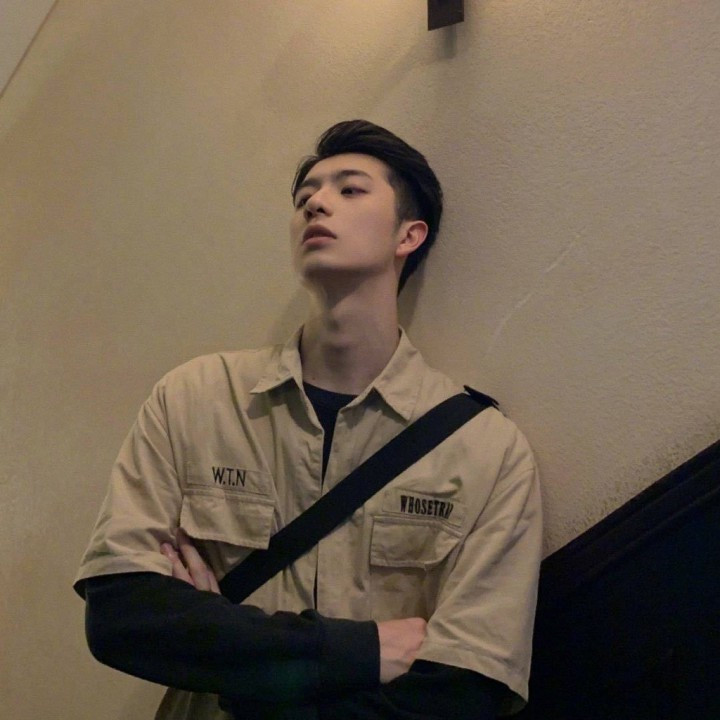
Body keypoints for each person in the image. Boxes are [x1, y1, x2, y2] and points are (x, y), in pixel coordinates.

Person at [74, 120, 543, 720]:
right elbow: (122, 615)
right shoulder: (195, 398)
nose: (316, 203)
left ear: (409, 234)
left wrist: (228, 653)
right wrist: (363, 650)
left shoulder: (485, 448)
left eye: (350, 189)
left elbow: (467, 687)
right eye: (305, 196)